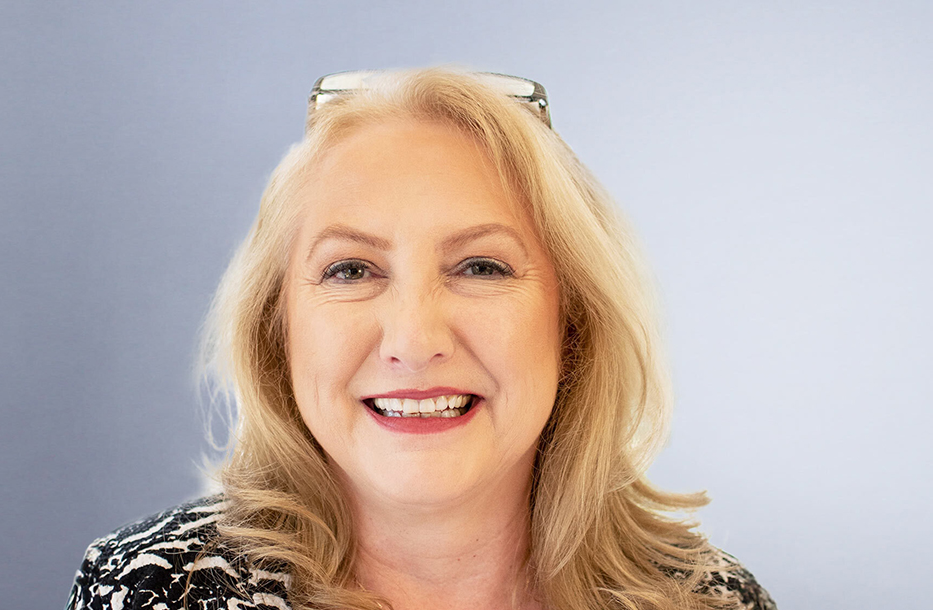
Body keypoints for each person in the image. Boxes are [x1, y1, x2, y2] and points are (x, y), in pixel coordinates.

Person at [66, 69, 776, 610]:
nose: (412, 340)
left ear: (573, 325)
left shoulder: (711, 601)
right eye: (351, 269)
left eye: (481, 267)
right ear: (276, 330)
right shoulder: (157, 591)